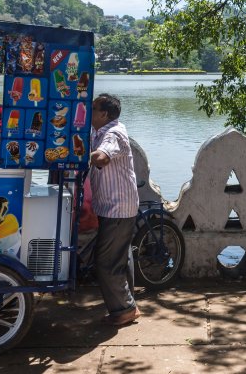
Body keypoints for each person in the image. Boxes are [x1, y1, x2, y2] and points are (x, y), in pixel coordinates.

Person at [89, 93, 140, 326]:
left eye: (93, 109)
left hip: (117, 208)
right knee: (120, 257)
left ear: (104, 114)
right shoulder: (100, 131)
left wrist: (74, 155)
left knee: (106, 262)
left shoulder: (113, 133)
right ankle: (127, 301)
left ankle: (125, 309)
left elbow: (101, 157)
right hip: (113, 205)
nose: (89, 113)